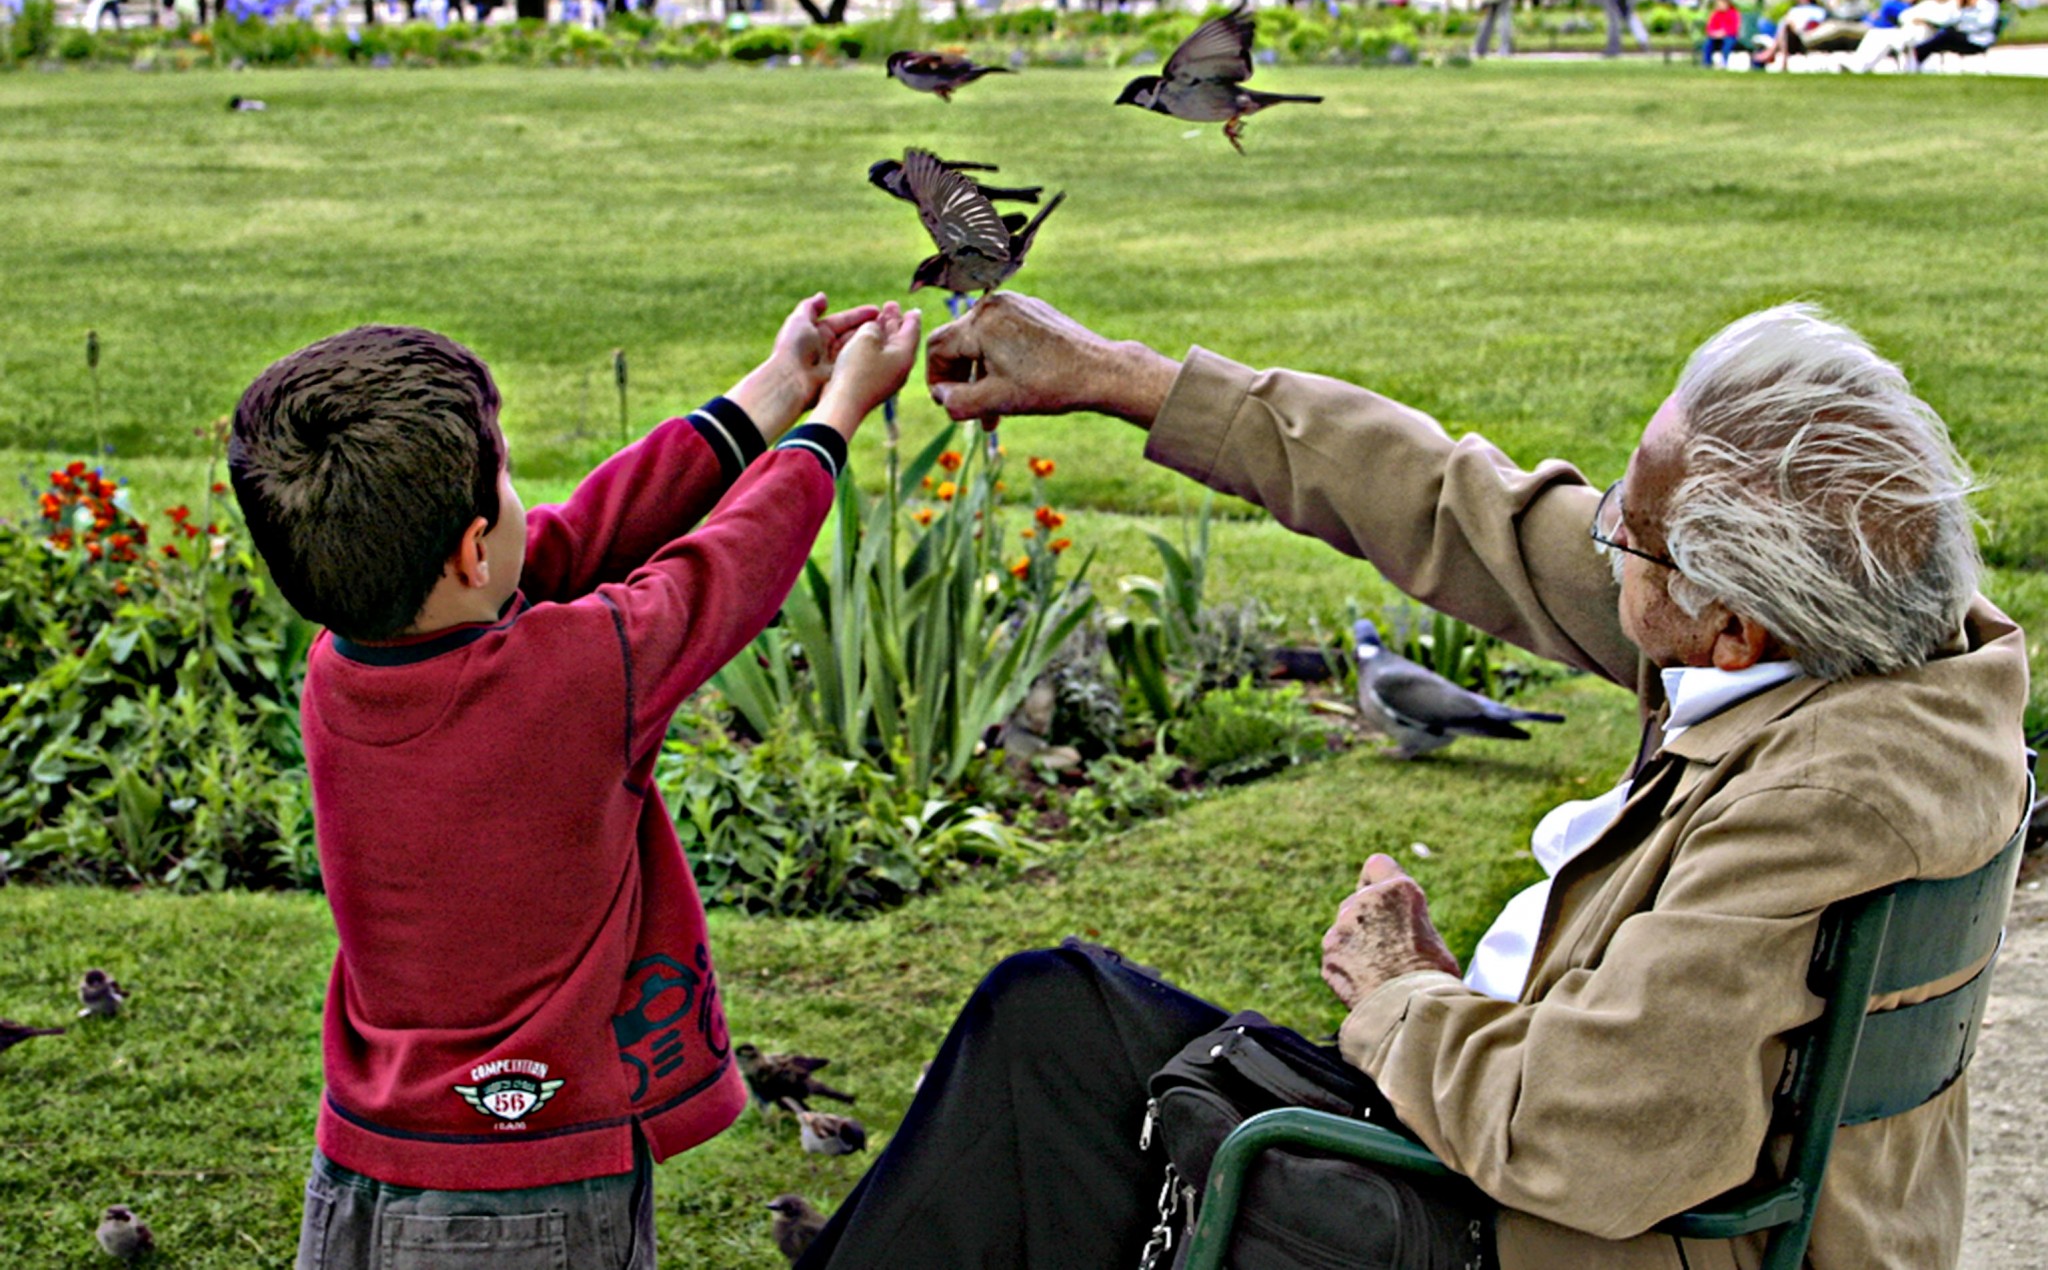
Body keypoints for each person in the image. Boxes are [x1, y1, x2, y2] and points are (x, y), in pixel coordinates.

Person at [790, 293, 2027, 1269]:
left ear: (1735, 625)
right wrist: (1126, 379)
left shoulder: (1818, 799)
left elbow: (1583, 1136)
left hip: (1538, 1227)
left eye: (1627, 535)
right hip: (1548, 1155)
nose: (1600, 536)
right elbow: (1460, 507)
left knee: (1050, 1033)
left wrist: (1396, 996)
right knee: (1053, 1040)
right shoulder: (1874, 641)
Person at [228, 298, 920, 1270]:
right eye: (507, 482)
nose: (526, 505)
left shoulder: (342, 664)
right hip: (529, 1188)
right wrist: (834, 414)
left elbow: (580, 537)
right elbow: (723, 570)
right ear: (473, 549)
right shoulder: (578, 674)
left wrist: (773, 389)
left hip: (363, 1171)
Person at [1847, 0, 1958, 72]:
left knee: (1882, 37)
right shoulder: (1930, 3)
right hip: (1909, 30)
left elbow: (1945, 20)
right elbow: (1905, 16)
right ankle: (1858, 65)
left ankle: (1859, 67)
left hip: (1923, 35)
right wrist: (1917, 18)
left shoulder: (1951, 5)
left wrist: (1924, 19)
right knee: (1875, 34)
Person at [1914, 0, 2000, 66]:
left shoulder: (1989, 5)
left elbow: (1984, 24)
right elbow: (1951, 20)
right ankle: (1920, 55)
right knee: (1943, 34)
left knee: (1947, 34)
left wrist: (1961, 27)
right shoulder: (1966, 8)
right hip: (1964, 37)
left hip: (1979, 40)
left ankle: (1919, 52)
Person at [1751, 0, 1827, 69]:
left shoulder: (1817, 10)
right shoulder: (1795, 9)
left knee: (1785, 26)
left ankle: (1772, 54)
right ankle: (1770, 53)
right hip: (1784, 33)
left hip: (1800, 35)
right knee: (1768, 23)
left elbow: (1814, 24)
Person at [1700, 0, 1740, 66]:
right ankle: (1707, 63)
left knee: (1727, 44)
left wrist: (1724, 32)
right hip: (1716, 37)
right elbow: (1709, 28)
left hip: (1729, 36)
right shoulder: (1716, 14)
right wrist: (1714, 33)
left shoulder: (1733, 13)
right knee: (1708, 44)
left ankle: (1724, 62)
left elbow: (1734, 28)